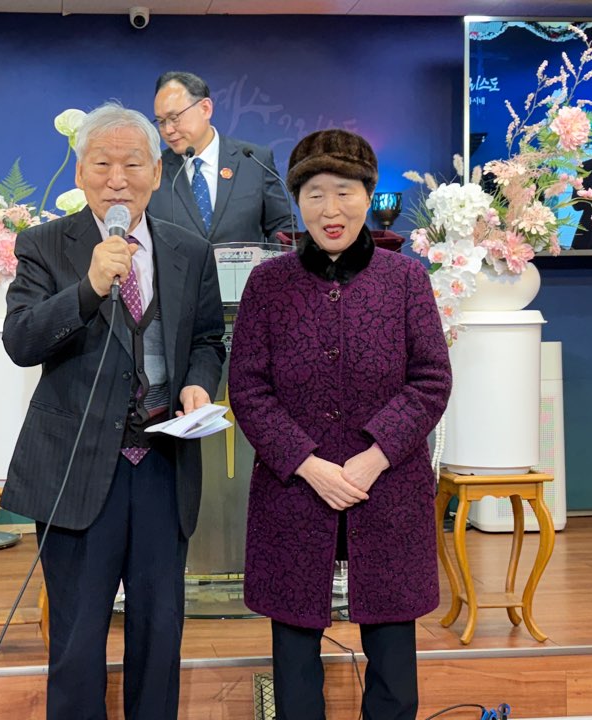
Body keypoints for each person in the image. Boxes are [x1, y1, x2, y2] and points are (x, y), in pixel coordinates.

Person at [0, 102, 226, 720]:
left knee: (159, 632)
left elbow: (208, 340)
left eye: (132, 164)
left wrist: (197, 385)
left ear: (156, 172)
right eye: (102, 164)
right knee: (76, 639)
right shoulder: (45, 245)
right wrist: (89, 287)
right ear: (80, 173)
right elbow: (20, 341)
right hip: (75, 471)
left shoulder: (189, 249)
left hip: (162, 464)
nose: (117, 180)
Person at [228, 129, 452, 720]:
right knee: (294, 657)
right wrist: (309, 466)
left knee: (394, 659)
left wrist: (374, 457)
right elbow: (248, 388)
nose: (331, 209)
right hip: (294, 488)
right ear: (298, 202)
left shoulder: (405, 279)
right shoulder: (267, 284)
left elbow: (431, 379)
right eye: (316, 194)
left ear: (368, 196)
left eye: (345, 192)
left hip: (388, 484)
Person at [146, 71, 293, 244]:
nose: (168, 130)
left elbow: (282, 226)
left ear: (205, 108)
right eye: (161, 122)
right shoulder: (154, 170)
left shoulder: (253, 160)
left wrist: (277, 261)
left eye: (174, 118)